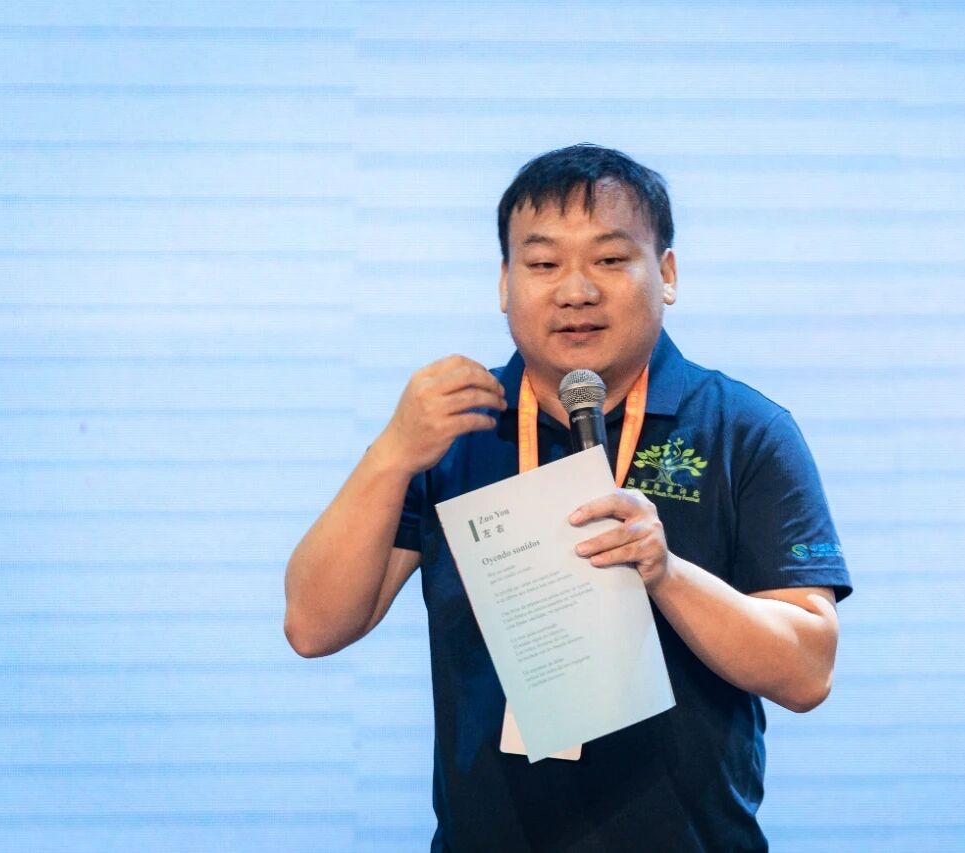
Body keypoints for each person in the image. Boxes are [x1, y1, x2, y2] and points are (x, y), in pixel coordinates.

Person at [284, 144, 853, 851]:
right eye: (544, 263)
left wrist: (666, 574)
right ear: (504, 282)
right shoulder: (454, 432)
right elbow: (313, 627)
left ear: (667, 274)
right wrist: (391, 453)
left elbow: (808, 671)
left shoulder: (744, 428)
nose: (575, 291)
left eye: (610, 259)